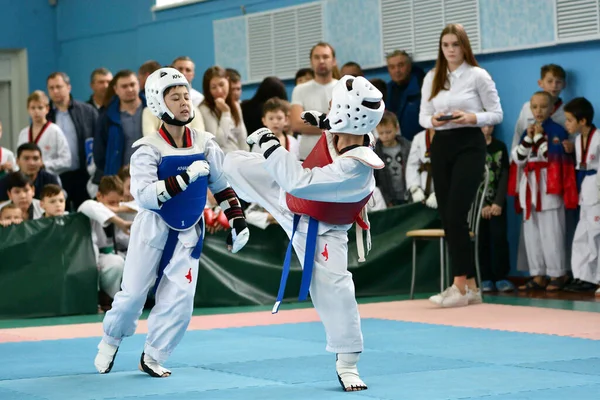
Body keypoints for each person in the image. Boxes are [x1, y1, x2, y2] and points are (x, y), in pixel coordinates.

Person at [223, 75, 386, 392]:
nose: (328, 108)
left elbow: (298, 180)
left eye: (333, 106)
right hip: (287, 200)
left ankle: (348, 364)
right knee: (232, 162)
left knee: (336, 290)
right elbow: (330, 133)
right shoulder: (351, 129)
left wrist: (271, 145)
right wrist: (323, 121)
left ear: (346, 113)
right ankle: (217, 190)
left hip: (322, 229)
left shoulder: (357, 165)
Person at [94, 67, 250, 378]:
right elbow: (145, 195)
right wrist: (185, 177)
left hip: (189, 231)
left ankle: (153, 355)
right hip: (152, 230)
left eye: (185, 96)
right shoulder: (147, 148)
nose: (184, 103)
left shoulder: (205, 142)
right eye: (175, 97)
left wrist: (237, 219)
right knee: (132, 296)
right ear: (158, 104)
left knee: (180, 299)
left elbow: (221, 185)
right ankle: (110, 340)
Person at [419, 23, 503, 308]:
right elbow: (422, 116)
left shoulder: (478, 75)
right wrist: (435, 120)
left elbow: (496, 113)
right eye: (446, 45)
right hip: (441, 144)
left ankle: (458, 285)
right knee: (447, 216)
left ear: (464, 46)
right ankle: (472, 287)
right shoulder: (432, 76)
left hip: (469, 144)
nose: (451, 50)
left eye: (456, 45)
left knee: (456, 213)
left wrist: (470, 118)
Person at [508, 91, 576, 292]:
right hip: (530, 185)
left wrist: (539, 137)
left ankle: (557, 273)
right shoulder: (525, 132)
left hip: (549, 185)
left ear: (551, 108)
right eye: (535, 107)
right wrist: (529, 139)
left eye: (543, 106)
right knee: (532, 234)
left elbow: (551, 158)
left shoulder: (558, 130)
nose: (539, 111)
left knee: (552, 231)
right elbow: (519, 159)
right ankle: (537, 274)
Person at [562, 97, 599, 293]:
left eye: (569, 120)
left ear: (582, 121)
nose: (566, 123)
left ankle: (597, 278)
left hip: (597, 191)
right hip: (585, 190)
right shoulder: (577, 140)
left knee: (596, 236)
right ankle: (583, 276)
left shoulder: (599, 138)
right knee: (582, 236)